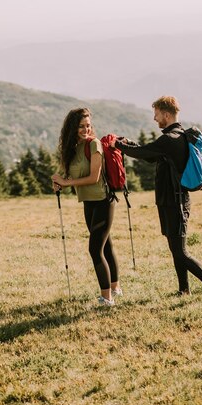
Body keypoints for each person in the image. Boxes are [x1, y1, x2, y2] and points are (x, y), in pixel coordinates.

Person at [115, 96, 202, 299]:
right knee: (176, 249)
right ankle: (184, 290)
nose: (154, 118)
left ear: (166, 114)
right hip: (169, 200)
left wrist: (118, 145)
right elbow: (150, 155)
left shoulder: (171, 139)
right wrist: (127, 143)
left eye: (156, 114)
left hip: (176, 202)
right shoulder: (173, 138)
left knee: (180, 251)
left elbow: (143, 153)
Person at [51, 108, 120, 306]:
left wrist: (66, 183)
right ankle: (115, 288)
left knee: (95, 248)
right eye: (81, 126)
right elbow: (73, 176)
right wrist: (60, 181)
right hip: (88, 202)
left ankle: (106, 298)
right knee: (106, 245)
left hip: (103, 201)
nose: (86, 129)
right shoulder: (73, 148)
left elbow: (93, 177)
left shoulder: (94, 144)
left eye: (88, 125)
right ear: (73, 128)